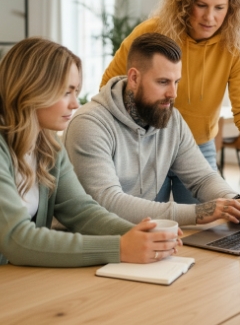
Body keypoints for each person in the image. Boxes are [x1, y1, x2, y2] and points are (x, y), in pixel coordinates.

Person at [100, 0, 240, 204]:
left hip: (198, 147)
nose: (210, 17)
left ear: (231, 8)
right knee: (148, 226)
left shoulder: (236, 47)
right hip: (148, 146)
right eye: (201, 5)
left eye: (219, 7)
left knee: (204, 228)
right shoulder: (151, 32)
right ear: (184, 3)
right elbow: (110, 87)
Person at [0, 37, 181, 267]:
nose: (75, 104)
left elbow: (81, 211)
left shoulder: (48, 148)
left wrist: (142, 235)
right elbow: (17, 240)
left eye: (76, 91)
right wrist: (120, 248)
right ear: (31, 91)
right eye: (66, 92)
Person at [64, 33, 240, 226]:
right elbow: (108, 202)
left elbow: (203, 178)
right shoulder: (89, 124)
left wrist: (235, 200)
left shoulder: (171, 119)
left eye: (176, 82)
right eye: (163, 82)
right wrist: (200, 212)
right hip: (96, 242)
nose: (173, 94)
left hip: (145, 237)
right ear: (134, 78)